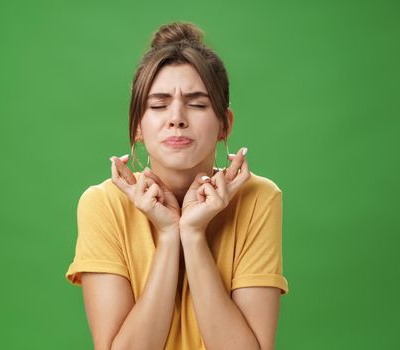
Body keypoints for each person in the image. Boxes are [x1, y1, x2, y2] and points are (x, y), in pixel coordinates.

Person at [65, 21, 289, 350]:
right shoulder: (103, 204)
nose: (176, 118)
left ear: (224, 125)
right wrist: (170, 236)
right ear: (137, 126)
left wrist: (194, 236)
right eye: (158, 105)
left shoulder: (258, 197)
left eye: (197, 104)